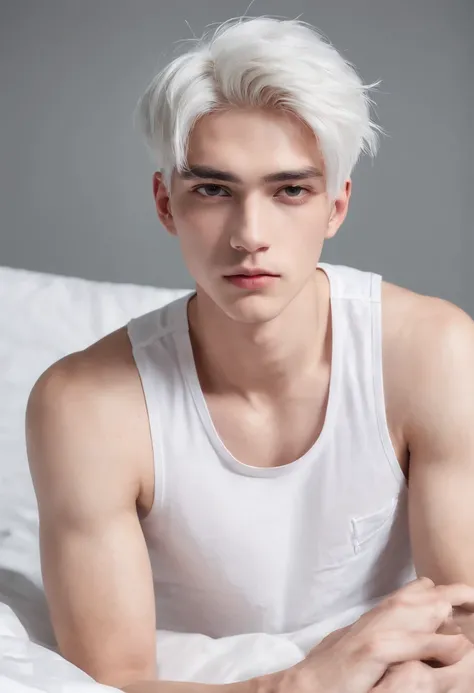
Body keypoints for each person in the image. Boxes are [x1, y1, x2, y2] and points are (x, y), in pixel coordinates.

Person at [24, 14, 474, 693]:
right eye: (213, 190)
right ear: (165, 203)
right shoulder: (84, 405)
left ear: (336, 206)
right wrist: (301, 684)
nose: (249, 235)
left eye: (290, 190)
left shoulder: (432, 353)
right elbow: (112, 681)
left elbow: (462, 628)